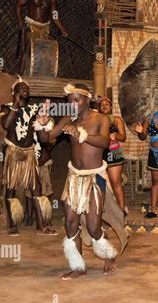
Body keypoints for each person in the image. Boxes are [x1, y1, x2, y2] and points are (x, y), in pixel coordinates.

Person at [35, 83, 119, 280]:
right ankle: (78, 266)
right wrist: (42, 123)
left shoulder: (101, 118)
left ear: (87, 100)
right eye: (69, 100)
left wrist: (81, 134)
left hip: (95, 176)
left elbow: (105, 142)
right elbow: (46, 138)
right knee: (71, 223)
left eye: (76, 99)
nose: (72, 103)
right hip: (74, 177)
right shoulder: (67, 119)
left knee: (92, 227)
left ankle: (109, 254)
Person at [0, 77, 53, 236]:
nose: (25, 91)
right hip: (13, 153)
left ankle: (41, 225)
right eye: (21, 88)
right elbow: (6, 125)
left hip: (29, 153)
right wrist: (15, 105)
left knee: (37, 189)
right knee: (11, 190)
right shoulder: (7, 108)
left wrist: (45, 120)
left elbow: (43, 132)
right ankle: (12, 225)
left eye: (26, 89)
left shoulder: (35, 109)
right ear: (14, 92)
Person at [16, 0, 68, 75]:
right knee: (27, 49)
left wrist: (61, 28)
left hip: (44, 27)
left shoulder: (52, 1)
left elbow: (54, 15)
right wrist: (20, 21)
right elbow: (18, 5)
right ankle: (20, 75)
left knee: (44, 52)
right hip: (32, 25)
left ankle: (41, 75)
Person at [99, 97, 127, 216]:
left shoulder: (116, 119)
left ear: (111, 107)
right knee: (100, 184)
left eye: (107, 104)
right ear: (99, 109)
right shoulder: (96, 120)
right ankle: (102, 210)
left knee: (115, 182)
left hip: (113, 152)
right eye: (102, 105)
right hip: (99, 153)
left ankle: (121, 210)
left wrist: (114, 135)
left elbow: (123, 137)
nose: (104, 106)